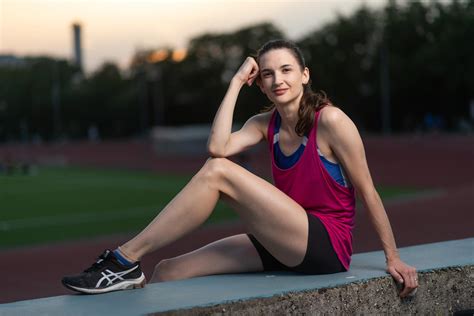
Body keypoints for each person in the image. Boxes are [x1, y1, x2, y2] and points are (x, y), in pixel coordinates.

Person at [62, 39, 418, 298]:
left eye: (286, 70)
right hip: (283, 239)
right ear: (259, 83)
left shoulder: (332, 122)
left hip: (325, 245)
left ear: (305, 75)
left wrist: (393, 257)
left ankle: (123, 259)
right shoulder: (266, 124)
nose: (277, 79)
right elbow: (218, 145)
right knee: (168, 271)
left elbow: (368, 190)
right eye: (267, 74)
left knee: (218, 172)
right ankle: (133, 271)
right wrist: (234, 82)